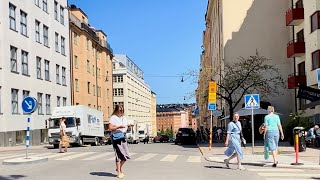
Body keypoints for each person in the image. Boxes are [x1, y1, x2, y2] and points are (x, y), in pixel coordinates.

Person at [109, 105, 130, 179]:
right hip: (116, 137)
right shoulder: (113, 118)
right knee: (118, 155)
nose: (121, 112)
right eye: (120, 110)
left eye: (122, 110)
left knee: (126, 156)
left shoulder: (124, 118)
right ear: (116, 110)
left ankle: (119, 168)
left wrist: (129, 126)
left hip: (123, 137)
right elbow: (110, 128)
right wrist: (118, 127)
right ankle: (119, 172)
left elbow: (126, 126)